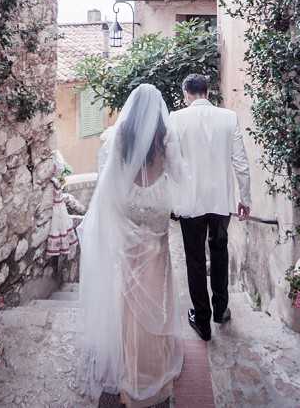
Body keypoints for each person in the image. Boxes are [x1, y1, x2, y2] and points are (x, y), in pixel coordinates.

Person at [78, 83, 185, 408]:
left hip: (128, 215)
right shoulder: (165, 135)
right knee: (157, 292)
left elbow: (106, 183)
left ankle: (128, 370)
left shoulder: (117, 135)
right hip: (155, 216)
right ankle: (153, 370)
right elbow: (180, 176)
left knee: (127, 297)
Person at [169, 73, 251, 342]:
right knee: (219, 254)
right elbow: (241, 162)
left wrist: (172, 201)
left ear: (186, 93)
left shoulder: (176, 119)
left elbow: (171, 166)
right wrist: (245, 199)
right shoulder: (228, 118)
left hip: (190, 203)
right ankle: (220, 310)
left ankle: (202, 321)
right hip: (220, 202)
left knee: (194, 260)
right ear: (207, 92)